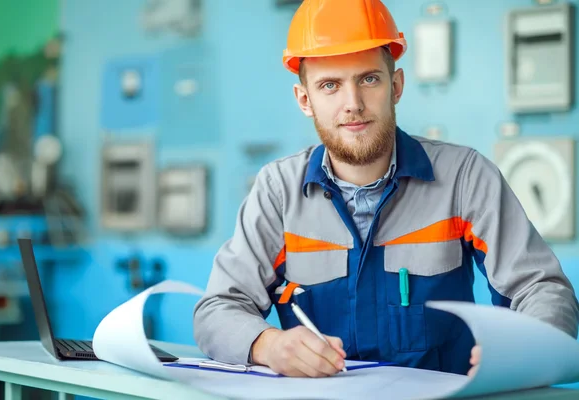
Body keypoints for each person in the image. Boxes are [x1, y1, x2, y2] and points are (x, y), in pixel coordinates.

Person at [193, 0, 579, 378]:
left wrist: (529, 348)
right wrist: (269, 345)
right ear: (305, 100)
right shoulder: (278, 191)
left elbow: (542, 287)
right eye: (330, 85)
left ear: (395, 85)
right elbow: (218, 309)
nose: (353, 104)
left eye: (369, 79)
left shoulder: (465, 177)